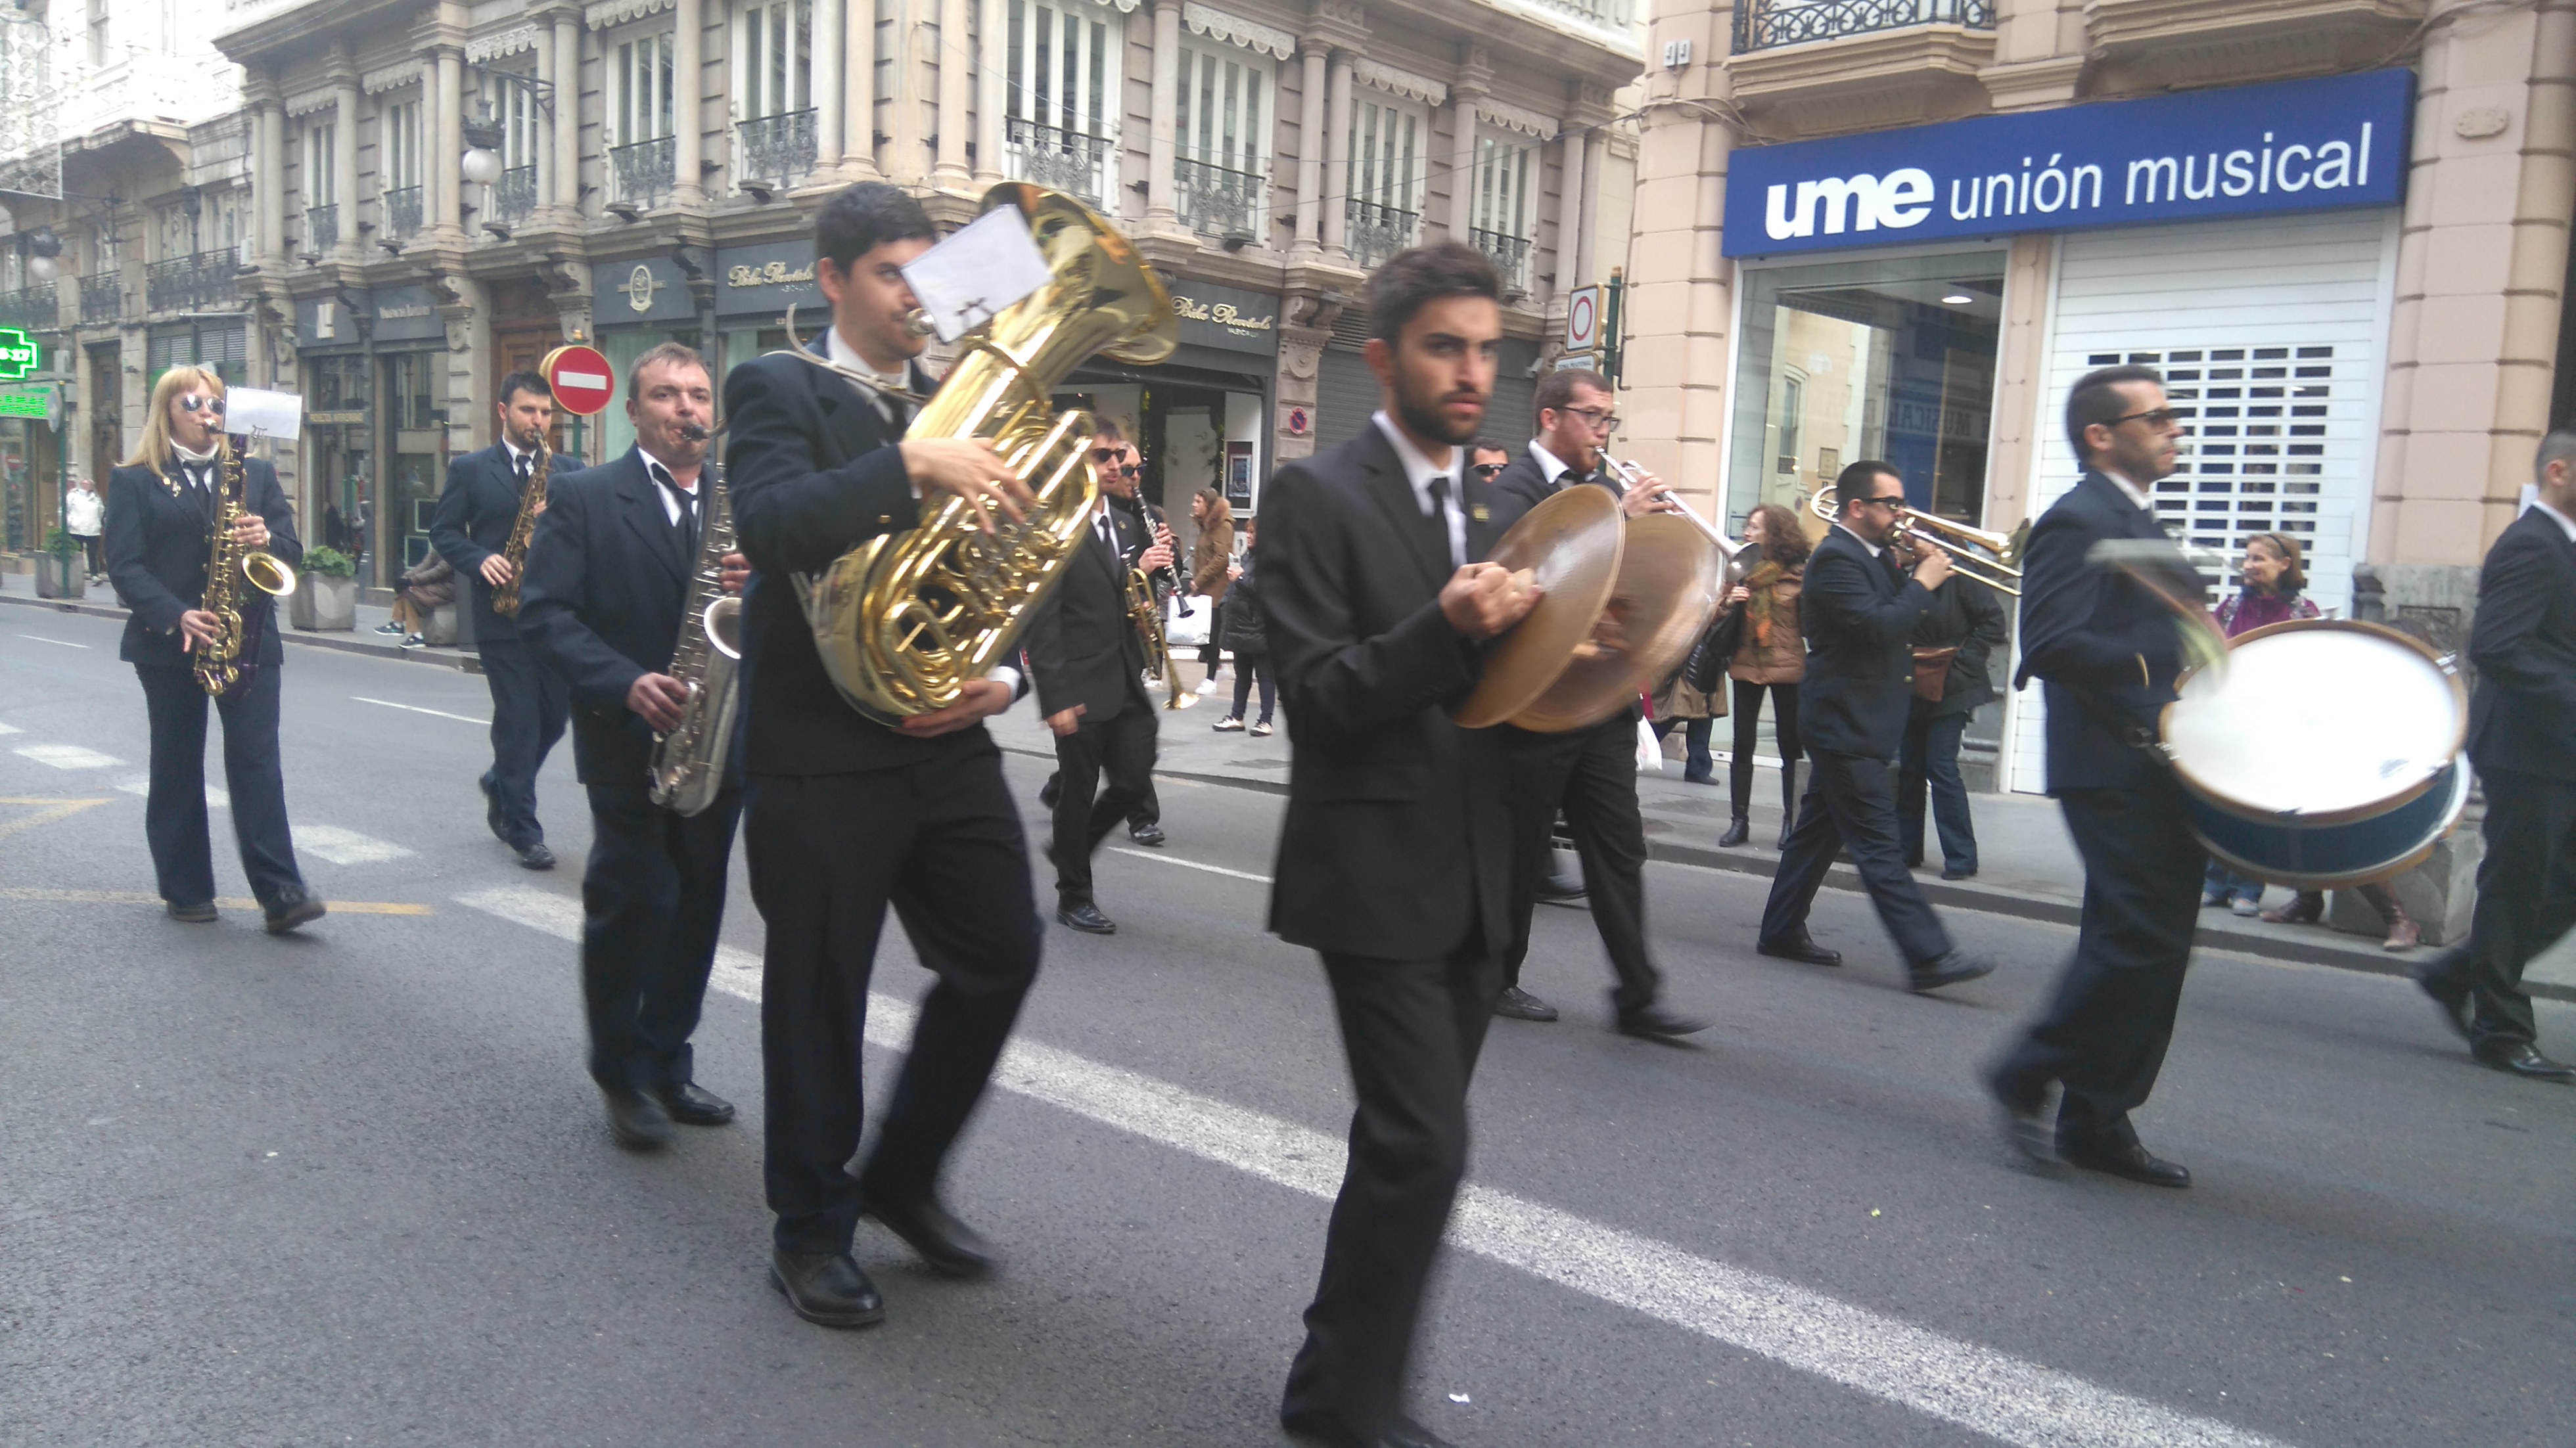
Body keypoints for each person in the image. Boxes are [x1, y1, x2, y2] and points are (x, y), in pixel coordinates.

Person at [722, 181, 1041, 1328]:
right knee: (819, 996)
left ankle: (900, 1175)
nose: (916, 296)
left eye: (926, 271)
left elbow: (1025, 554)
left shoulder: (965, 394)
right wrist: (912, 464)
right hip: (818, 749)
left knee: (1003, 950)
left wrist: (1007, 679)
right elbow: (768, 524)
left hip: (942, 739)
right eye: (891, 274)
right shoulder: (778, 385)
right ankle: (810, 1225)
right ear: (833, 281)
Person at [1262, 241, 1536, 1448]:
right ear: (1383, 358)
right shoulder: (1314, 494)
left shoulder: (1499, 505)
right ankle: (1349, 1408)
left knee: (1397, 1147)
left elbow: (1506, 688)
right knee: (1427, 1142)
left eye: (1487, 348)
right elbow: (1321, 697)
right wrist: (1448, 624)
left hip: (1482, 868)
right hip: (1368, 869)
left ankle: (1336, 1385)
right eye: (1446, 345)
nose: (1474, 370)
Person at [518, 341, 755, 1148]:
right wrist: (623, 681)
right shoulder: (583, 497)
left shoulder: (741, 500)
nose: (685, 408)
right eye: (665, 395)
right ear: (633, 410)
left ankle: (667, 1060)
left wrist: (757, 591)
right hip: (628, 737)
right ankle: (619, 1072)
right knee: (633, 905)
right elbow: (545, 614)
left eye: (696, 395)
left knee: (696, 908)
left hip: (721, 740)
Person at [1986, 365, 2207, 1187]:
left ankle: (2096, 1117)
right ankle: (2025, 1069)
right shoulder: (2076, 518)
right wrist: (2171, 657)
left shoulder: (2136, 518)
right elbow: (2048, 642)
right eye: (2154, 418)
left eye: (2171, 417)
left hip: (2163, 762)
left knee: (2159, 947)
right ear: (2100, 436)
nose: (2171, 429)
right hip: (2108, 763)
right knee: (2135, 941)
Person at [1485, 367, 1707, 1037]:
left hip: (1598, 702)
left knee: (1618, 848)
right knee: (1519, 853)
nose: (1604, 432)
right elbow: (1524, 580)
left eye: (1609, 418)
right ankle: (1495, 976)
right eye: (1593, 417)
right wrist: (1618, 519)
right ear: (1551, 417)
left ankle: (1636, 995)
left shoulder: (1600, 491)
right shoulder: (1509, 489)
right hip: (1534, 703)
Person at [1756, 461, 1994, 995]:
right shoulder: (1837, 558)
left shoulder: (1873, 556)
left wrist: (1918, 574)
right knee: (1880, 848)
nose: (1901, 515)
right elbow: (1875, 626)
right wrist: (1921, 583)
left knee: (1815, 835)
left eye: (1902, 503)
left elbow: (1904, 620)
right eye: (1891, 504)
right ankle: (1929, 954)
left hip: (1860, 719)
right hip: (1846, 723)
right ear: (1857, 507)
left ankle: (1780, 929)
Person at [103, 367, 326, 935]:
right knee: (177, 764)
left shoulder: (255, 473)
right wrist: (174, 612)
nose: (208, 413)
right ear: (167, 412)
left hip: (247, 638)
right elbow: (124, 565)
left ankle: (281, 890)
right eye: (194, 403)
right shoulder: (136, 479)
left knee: (257, 763)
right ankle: (187, 888)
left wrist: (266, 540)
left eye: (216, 404)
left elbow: (291, 553)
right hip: (173, 642)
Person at [2414, 432, 2576, 1083]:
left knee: (2560, 886)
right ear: (2558, 471)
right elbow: (2499, 647)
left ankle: (2454, 973)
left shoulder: (2560, 545)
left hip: (2558, 747)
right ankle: (2501, 1030)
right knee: (2516, 887)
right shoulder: (2530, 544)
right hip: (2526, 749)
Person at [2206, 533, 2420, 949]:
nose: (2249, 565)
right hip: (2245, 730)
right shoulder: (2231, 608)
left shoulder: (2304, 612)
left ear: (2285, 564)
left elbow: (2322, 670)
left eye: (2260, 559)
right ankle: (2307, 900)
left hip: (2297, 731)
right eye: (2247, 558)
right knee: (2283, 822)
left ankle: (2400, 920)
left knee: (2332, 828)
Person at [1023, 433, 1176, 936]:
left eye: (1121, 458)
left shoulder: (1130, 521)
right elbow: (1043, 619)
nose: (1116, 466)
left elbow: (1130, 595)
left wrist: (1150, 573)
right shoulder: (1055, 530)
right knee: (1077, 792)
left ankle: (1072, 844)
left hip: (1126, 677)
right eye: (1103, 456)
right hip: (1080, 683)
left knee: (1134, 778)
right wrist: (1055, 695)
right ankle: (1075, 896)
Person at [429, 371, 570, 871]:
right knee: (519, 720)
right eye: (529, 410)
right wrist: (478, 559)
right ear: (503, 411)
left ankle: (499, 782)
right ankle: (523, 828)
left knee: (554, 718)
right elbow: (444, 531)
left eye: (546, 412)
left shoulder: (567, 469)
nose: (539, 421)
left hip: (554, 612)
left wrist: (560, 515)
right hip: (501, 613)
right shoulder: (470, 469)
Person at [1898, 564, 2009, 881]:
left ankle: (1961, 857)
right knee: (1910, 769)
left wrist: (1962, 663)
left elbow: (1994, 621)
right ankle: (1907, 849)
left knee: (1941, 766)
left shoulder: (1956, 576)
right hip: (1912, 682)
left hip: (1953, 685)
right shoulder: (1901, 573)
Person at [1719, 503, 1810, 849]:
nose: (1747, 532)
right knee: (1743, 745)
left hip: (1787, 669)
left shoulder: (1800, 576)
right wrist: (1730, 603)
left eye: (1755, 527)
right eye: (1747, 525)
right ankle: (1738, 821)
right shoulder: (1742, 571)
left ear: (1774, 534)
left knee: (1790, 747)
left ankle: (1790, 821)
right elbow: (1715, 615)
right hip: (1746, 665)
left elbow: (1811, 626)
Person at [1212, 514, 1275, 734]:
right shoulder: (1248, 557)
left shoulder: (1270, 559)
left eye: (1253, 532)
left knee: (1265, 674)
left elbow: (1266, 589)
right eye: (1247, 532)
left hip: (1259, 626)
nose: (1248, 536)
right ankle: (1237, 716)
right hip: (1242, 626)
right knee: (1243, 673)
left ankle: (1266, 720)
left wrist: (1240, 578)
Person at [1191, 487, 1235, 690]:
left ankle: (1211, 678)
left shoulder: (1223, 526)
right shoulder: (1205, 526)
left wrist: (1199, 580)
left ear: (1208, 505)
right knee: (1199, 633)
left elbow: (1221, 558)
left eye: (1198, 502)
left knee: (1212, 633)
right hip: (1203, 588)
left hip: (1216, 589)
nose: (1194, 505)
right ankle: (1216, 670)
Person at [388, 548, 455, 650]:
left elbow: (439, 571)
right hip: (436, 584)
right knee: (405, 590)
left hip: (448, 588)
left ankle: (405, 629)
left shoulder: (454, 550)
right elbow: (423, 566)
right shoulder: (438, 548)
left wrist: (412, 581)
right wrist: (405, 578)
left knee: (411, 592)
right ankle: (400, 626)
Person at [66, 475, 104, 581]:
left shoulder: (96, 498)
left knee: (92, 554)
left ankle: (94, 574)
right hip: (76, 529)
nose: (86, 486)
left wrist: (97, 523)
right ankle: (76, 574)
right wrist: (70, 522)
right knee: (77, 553)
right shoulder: (73, 496)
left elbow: (101, 511)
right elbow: (65, 510)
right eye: (84, 484)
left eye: (88, 484)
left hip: (92, 530)